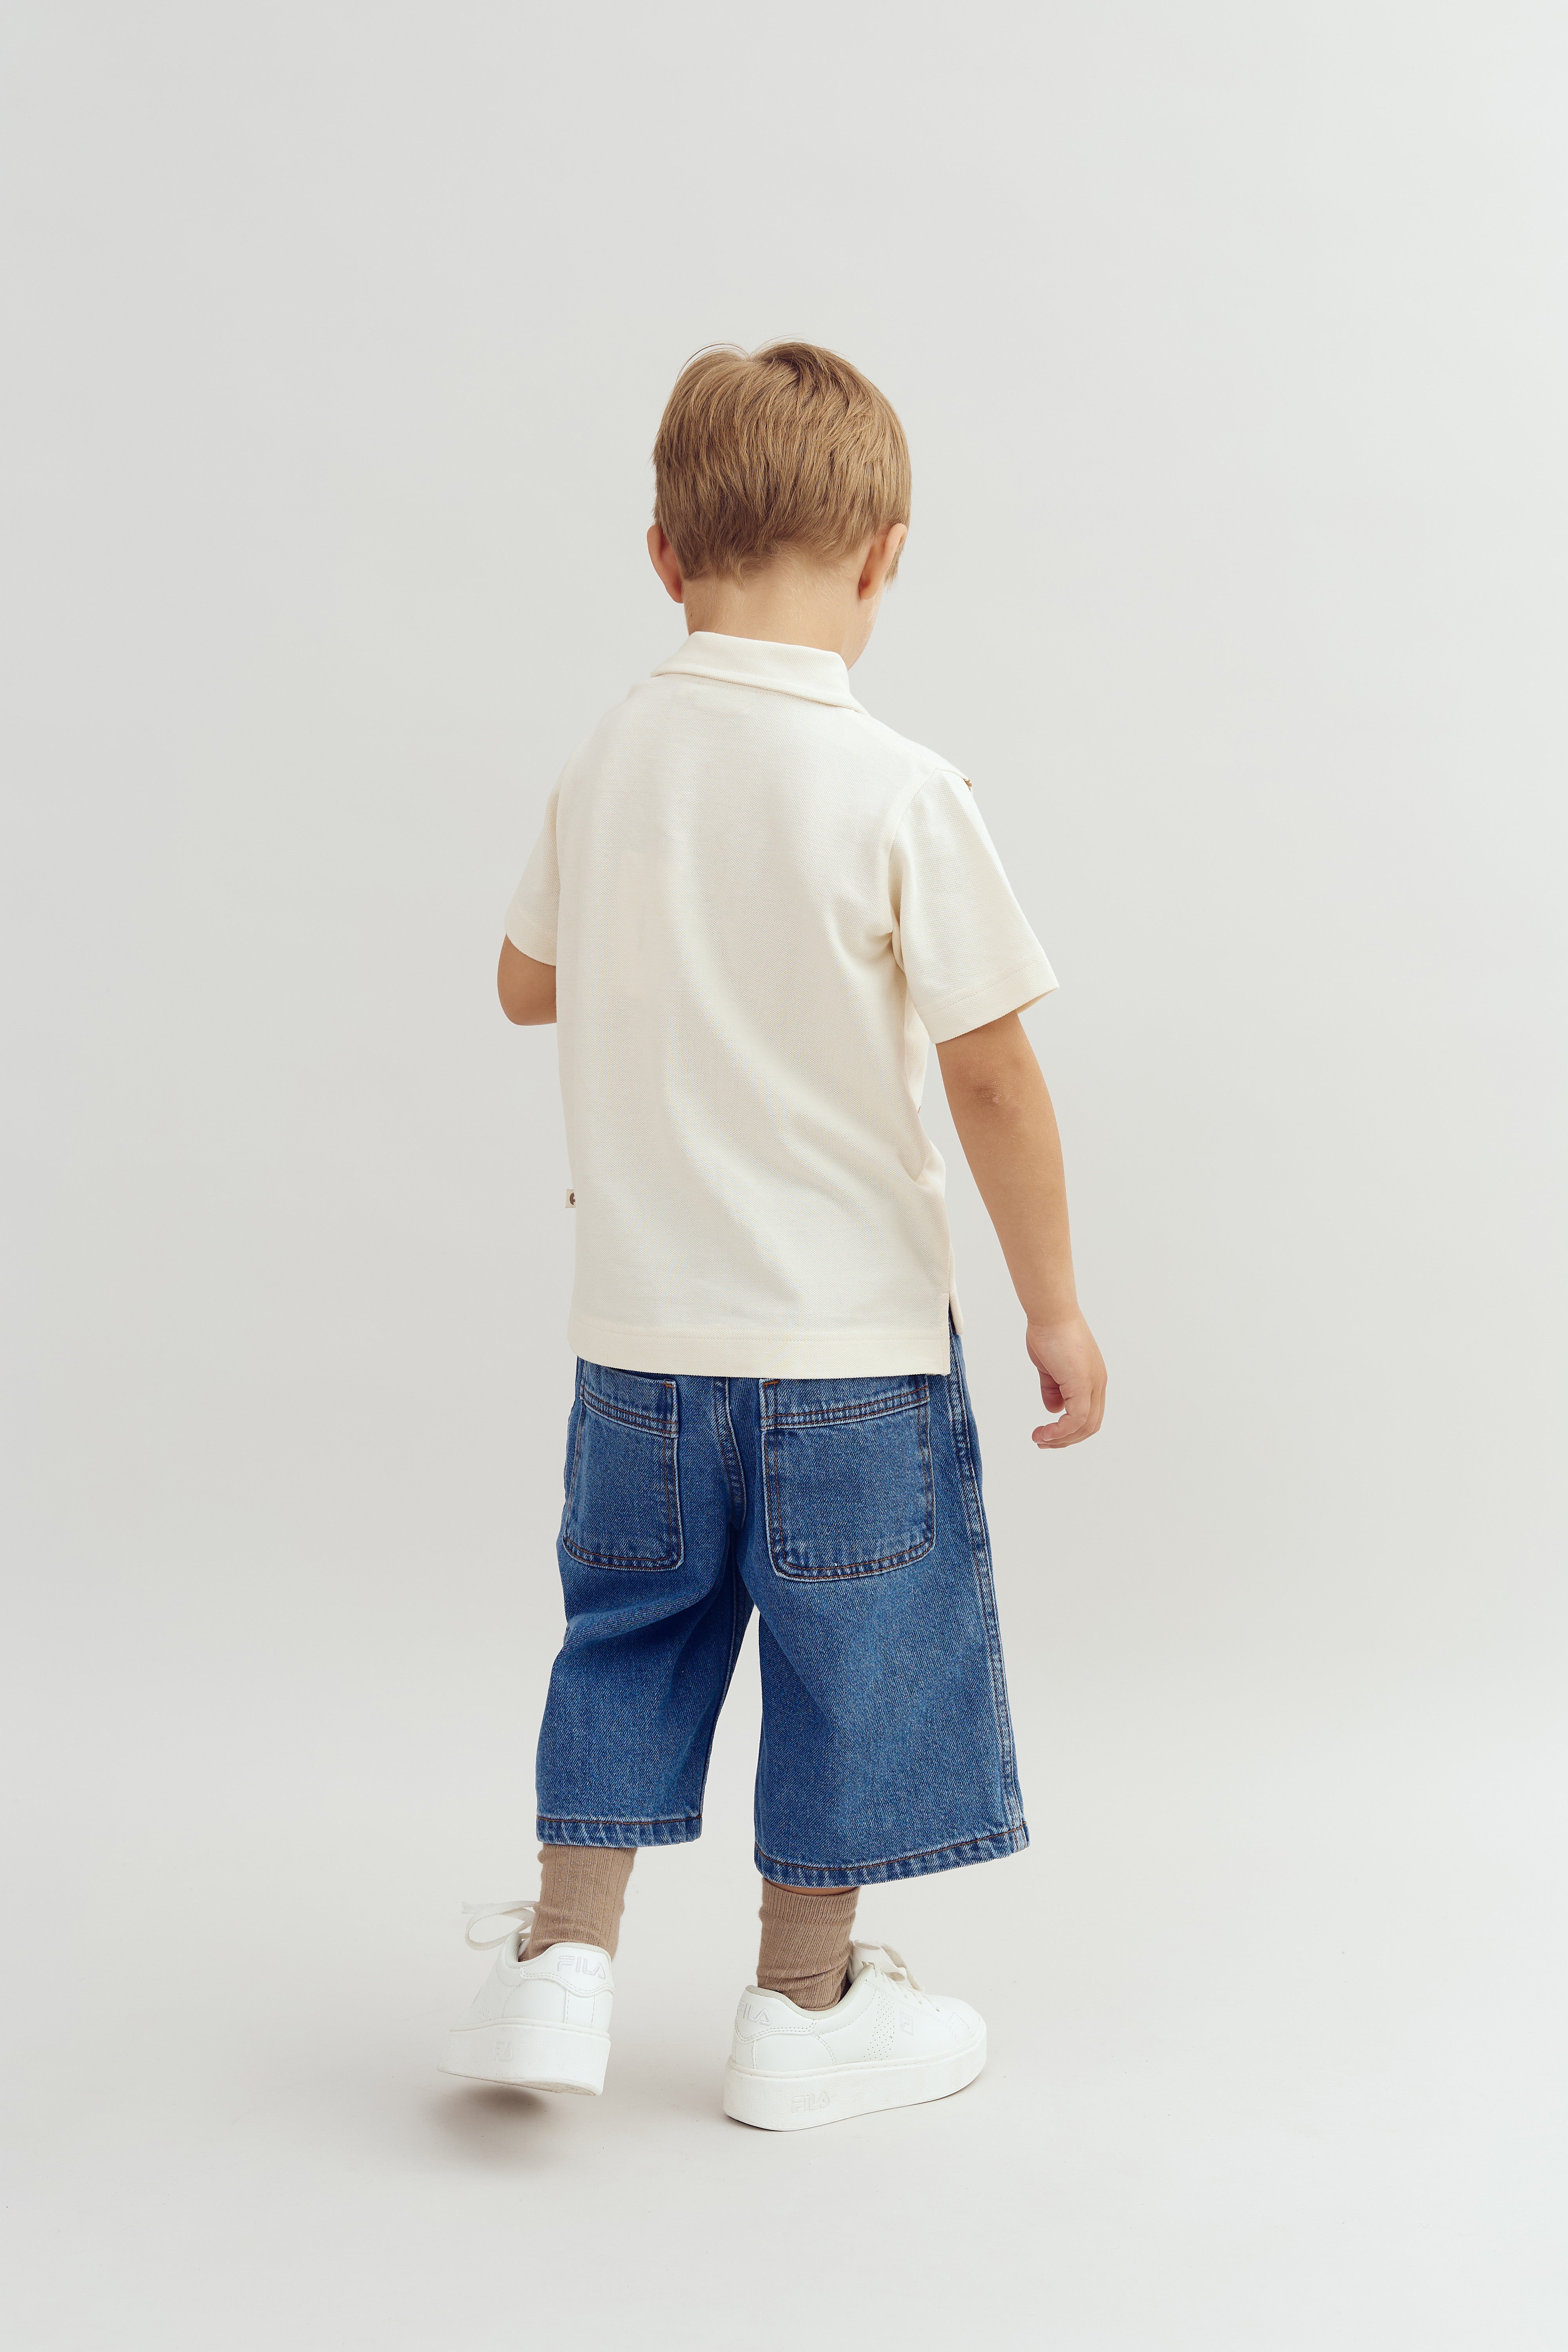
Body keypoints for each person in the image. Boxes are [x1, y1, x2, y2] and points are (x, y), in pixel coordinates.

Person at [441, 341, 1107, 2131]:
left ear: (663, 555)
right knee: (853, 1664)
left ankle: (561, 1967)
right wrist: (1055, 1306)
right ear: (884, 557)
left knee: (627, 1638)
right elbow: (993, 1076)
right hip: (847, 1365)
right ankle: (802, 2012)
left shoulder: (612, 757)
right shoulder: (896, 786)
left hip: (641, 1348)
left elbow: (522, 986)